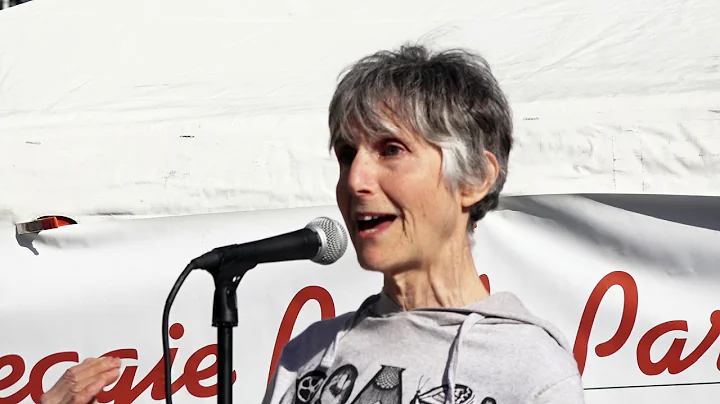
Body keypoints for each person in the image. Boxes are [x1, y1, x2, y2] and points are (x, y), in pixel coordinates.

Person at [40, 44, 585, 404]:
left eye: (391, 149)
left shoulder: (529, 369)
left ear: (474, 180)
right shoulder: (312, 351)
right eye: (347, 155)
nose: (356, 179)